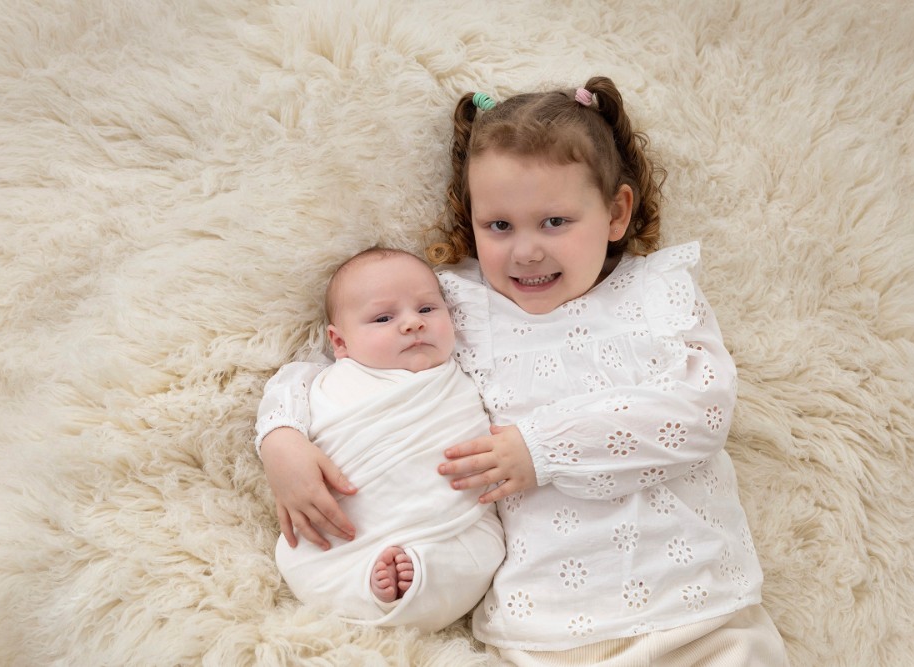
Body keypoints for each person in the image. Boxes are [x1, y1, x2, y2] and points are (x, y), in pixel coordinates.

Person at [259, 77, 789, 665]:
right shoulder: (456, 309)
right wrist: (281, 439)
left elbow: (702, 414)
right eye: (500, 226)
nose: (526, 251)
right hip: (543, 626)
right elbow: (333, 365)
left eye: (555, 222)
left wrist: (543, 449)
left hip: (701, 605)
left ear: (616, 213)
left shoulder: (657, 295)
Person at [254, 247, 504, 632]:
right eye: (384, 317)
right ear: (340, 343)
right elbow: (279, 401)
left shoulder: (464, 372)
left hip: (448, 522)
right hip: (346, 531)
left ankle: (419, 574)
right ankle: (367, 582)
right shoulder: (315, 379)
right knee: (305, 558)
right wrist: (280, 443)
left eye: (426, 310)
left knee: (483, 548)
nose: (411, 324)